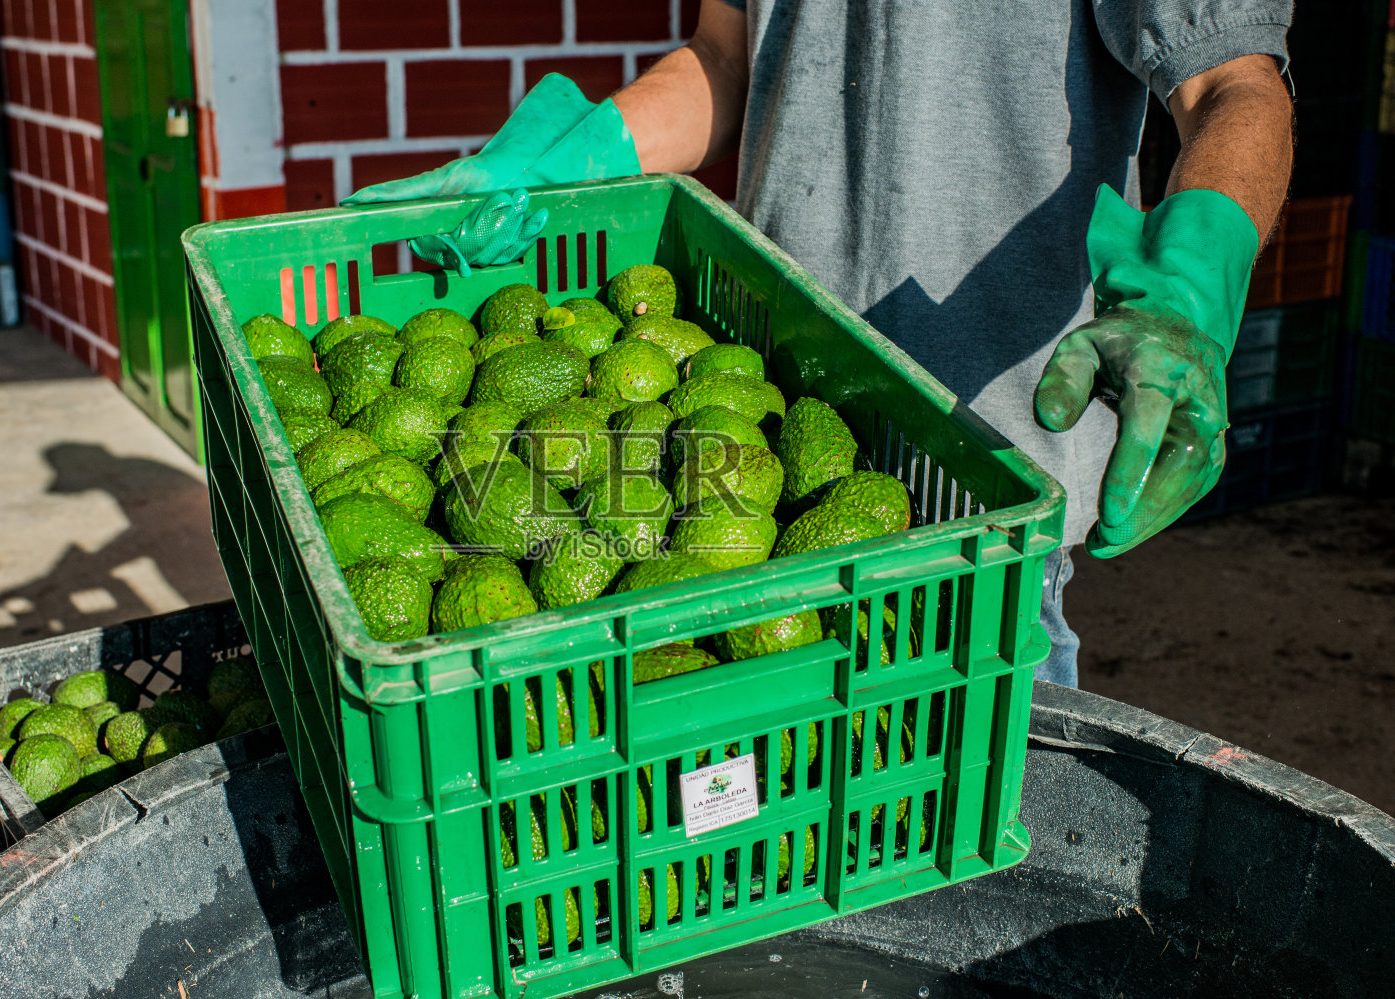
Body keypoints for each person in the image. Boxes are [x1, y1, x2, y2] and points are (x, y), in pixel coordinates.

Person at [345, 0, 1295, 687]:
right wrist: (567, 161)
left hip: (974, 481)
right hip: (758, 421)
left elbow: (1233, 81)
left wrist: (1191, 281)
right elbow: (728, 58)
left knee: (948, 859)